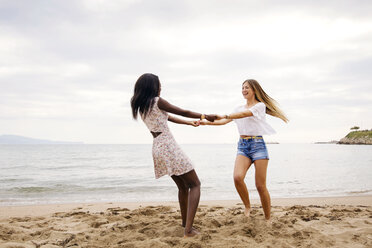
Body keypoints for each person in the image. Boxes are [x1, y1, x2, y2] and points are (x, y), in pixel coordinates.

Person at [130, 73, 217, 237]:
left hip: (157, 147)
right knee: (195, 184)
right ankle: (189, 230)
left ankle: (185, 223)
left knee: (183, 187)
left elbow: (168, 117)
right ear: (152, 86)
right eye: (159, 84)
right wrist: (205, 116)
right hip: (168, 145)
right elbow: (183, 111)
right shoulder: (157, 101)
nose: (160, 87)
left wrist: (190, 123)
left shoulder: (142, 105)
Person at [200, 79, 288, 221]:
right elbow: (223, 122)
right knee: (237, 177)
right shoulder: (237, 108)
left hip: (258, 145)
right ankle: (247, 206)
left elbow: (244, 114)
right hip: (243, 146)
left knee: (260, 185)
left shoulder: (260, 106)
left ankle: (267, 218)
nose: (244, 90)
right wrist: (204, 123)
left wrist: (225, 115)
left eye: (247, 87)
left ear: (254, 90)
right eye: (242, 88)